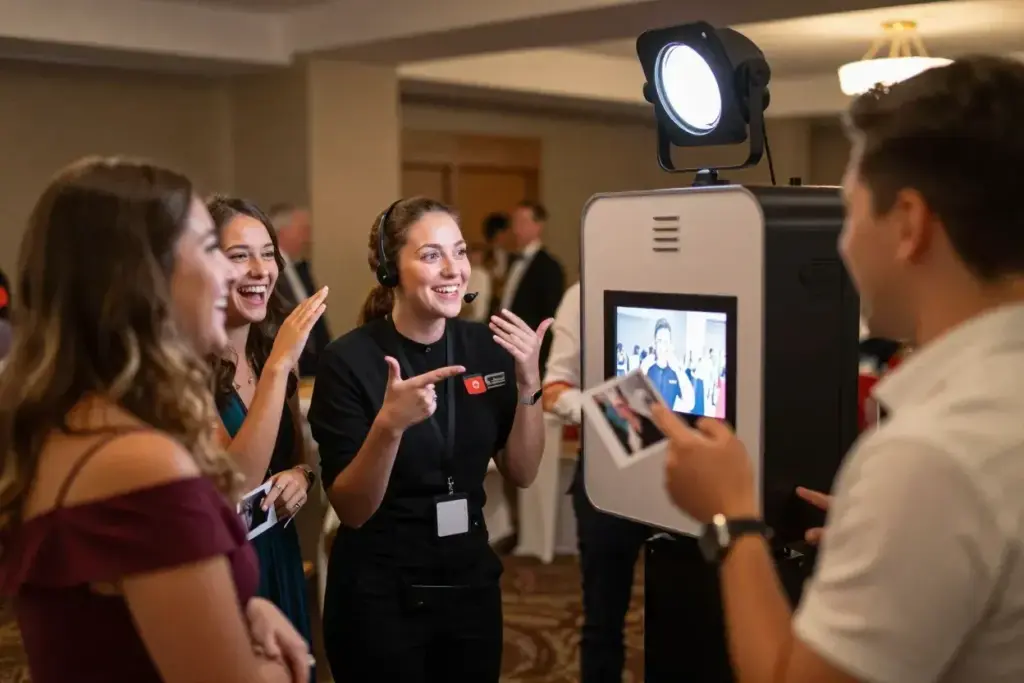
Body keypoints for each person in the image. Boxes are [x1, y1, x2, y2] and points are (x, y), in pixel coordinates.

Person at [650, 56, 1024, 683]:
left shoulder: (930, 456)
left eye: (849, 213)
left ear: (909, 225)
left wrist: (731, 518)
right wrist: (878, 531)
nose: (842, 242)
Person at [0, 157, 310, 683]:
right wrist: (281, 667)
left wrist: (240, 609)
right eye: (212, 249)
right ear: (145, 279)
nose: (233, 273)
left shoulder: (81, 421)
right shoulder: (140, 461)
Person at [307, 196, 552, 683]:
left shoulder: (486, 348)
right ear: (389, 269)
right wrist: (389, 427)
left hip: (469, 586)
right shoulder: (348, 362)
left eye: (459, 251)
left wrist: (530, 383)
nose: (453, 269)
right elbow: (353, 510)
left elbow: (523, 472)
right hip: (381, 594)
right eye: (431, 255)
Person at [207, 196, 329, 652]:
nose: (261, 270)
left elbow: (296, 458)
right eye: (240, 256)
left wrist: (302, 476)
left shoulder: (271, 354)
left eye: (267, 254)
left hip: (279, 550)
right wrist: (280, 365)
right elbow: (235, 486)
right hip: (222, 566)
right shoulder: (187, 369)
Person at [542, 281, 654, 682]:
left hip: (683, 479)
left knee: (689, 615)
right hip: (607, 478)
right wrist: (606, 414)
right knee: (603, 618)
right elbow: (554, 388)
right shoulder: (582, 292)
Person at [269, 203, 332, 376]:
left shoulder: (301, 268)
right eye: (302, 230)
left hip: (312, 365)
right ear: (284, 231)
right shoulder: (271, 270)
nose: (307, 237)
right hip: (289, 365)